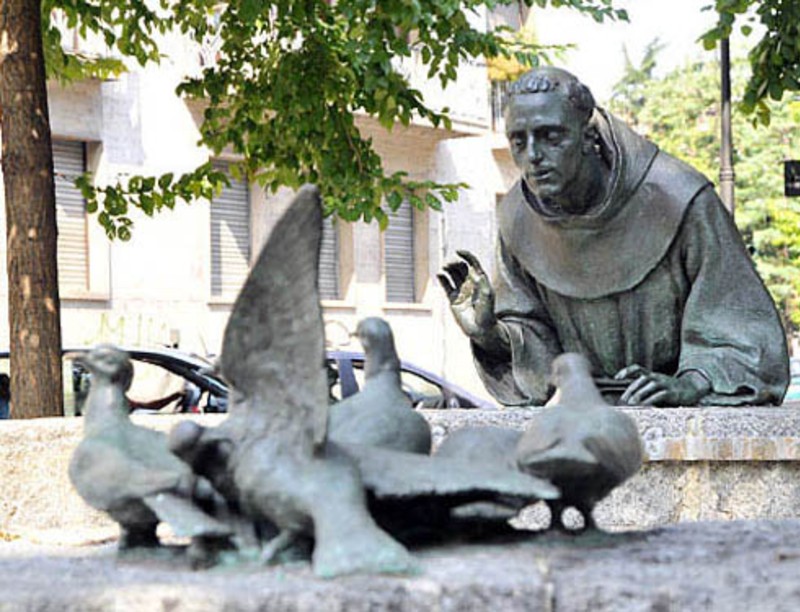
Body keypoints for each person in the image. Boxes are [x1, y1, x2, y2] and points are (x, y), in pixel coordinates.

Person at [438, 66, 789, 407]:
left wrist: (693, 382)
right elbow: (536, 343)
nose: (533, 156)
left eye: (551, 137)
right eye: (519, 141)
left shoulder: (680, 198)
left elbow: (741, 327)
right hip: (587, 415)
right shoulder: (517, 218)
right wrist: (490, 333)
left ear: (588, 136)